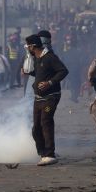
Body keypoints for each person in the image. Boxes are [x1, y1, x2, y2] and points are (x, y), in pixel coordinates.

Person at [25, 34, 69, 166]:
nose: (27, 48)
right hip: (38, 98)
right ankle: (42, 153)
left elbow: (63, 71)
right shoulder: (36, 58)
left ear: (33, 46)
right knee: (36, 127)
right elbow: (39, 72)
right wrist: (28, 71)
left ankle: (50, 154)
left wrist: (49, 83)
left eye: (28, 46)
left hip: (51, 97)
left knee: (46, 121)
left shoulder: (50, 57)